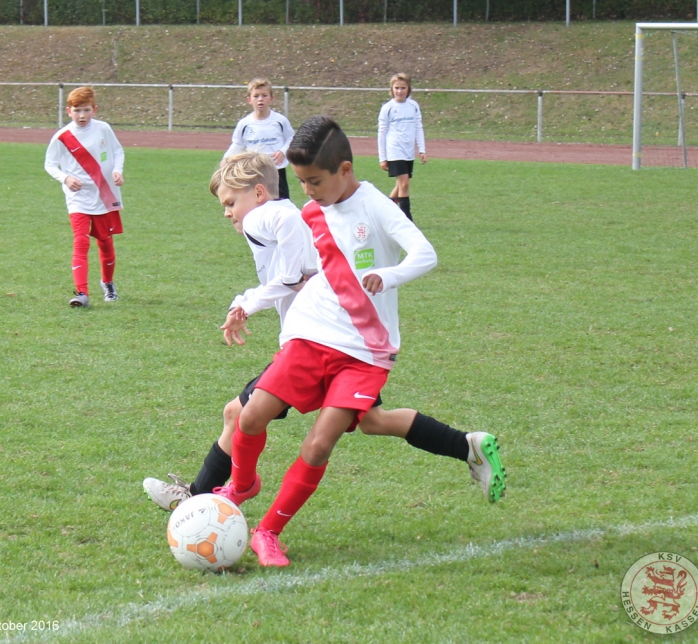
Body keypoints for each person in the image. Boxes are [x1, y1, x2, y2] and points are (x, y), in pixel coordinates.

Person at [142, 151, 504, 525]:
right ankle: (467, 445)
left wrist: (246, 303)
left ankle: (197, 499)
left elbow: (291, 270)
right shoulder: (282, 221)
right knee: (373, 420)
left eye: (231, 202)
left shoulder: (272, 217)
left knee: (239, 414)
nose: (227, 212)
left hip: (321, 342)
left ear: (260, 194)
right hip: (335, 340)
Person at [213, 116, 505, 568]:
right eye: (301, 181)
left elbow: (425, 254)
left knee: (320, 444)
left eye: (314, 181)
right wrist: (249, 303)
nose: (307, 191)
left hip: (364, 350)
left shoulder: (375, 207)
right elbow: (303, 273)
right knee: (251, 416)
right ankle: (243, 484)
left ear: (345, 170)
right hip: (312, 335)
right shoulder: (311, 212)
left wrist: (387, 276)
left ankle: (267, 532)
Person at [44, 86, 124, 308]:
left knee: (105, 242)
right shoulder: (62, 137)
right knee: (80, 241)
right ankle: (82, 293)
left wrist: (117, 170)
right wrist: (65, 178)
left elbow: (117, 152)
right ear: (68, 111)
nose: (82, 115)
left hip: (104, 194)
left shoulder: (103, 129)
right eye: (77, 110)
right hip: (78, 198)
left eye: (86, 110)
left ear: (94, 110)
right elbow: (50, 164)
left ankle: (108, 283)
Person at [223, 78, 295, 201]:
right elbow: (237, 144)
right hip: (254, 171)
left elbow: (291, 138)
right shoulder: (244, 124)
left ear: (271, 98)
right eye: (256, 96)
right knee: (257, 203)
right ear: (249, 100)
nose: (260, 99)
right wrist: (226, 161)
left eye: (264, 95)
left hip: (276, 171)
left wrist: (282, 152)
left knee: (281, 203)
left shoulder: (280, 121)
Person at [377, 72, 426, 223]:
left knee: (400, 185)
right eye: (396, 88)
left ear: (408, 89)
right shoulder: (387, 108)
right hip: (394, 150)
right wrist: (382, 157)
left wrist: (422, 150)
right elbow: (382, 133)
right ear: (392, 89)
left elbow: (418, 128)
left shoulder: (413, 106)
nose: (399, 91)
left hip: (408, 152)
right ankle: (407, 219)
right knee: (404, 184)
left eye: (403, 88)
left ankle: (382, 213)